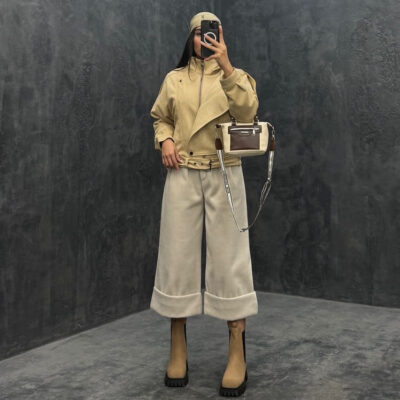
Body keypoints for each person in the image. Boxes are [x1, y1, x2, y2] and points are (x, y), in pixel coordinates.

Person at [149, 11, 259, 397]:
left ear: (221, 36)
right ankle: (177, 343)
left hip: (224, 172)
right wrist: (165, 140)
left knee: (230, 260)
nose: (205, 38)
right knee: (176, 258)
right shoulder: (174, 79)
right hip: (182, 172)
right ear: (190, 38)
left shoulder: (236, 76)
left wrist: (226, 65)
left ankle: (237, 347)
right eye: (199, 33)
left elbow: (247, 113)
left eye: (211, 33)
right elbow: (161, 118)